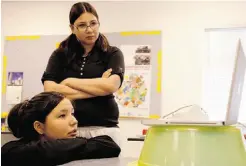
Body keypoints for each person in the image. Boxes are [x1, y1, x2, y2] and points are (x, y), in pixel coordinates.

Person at [41, 2, 125, 146]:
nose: (89, 29)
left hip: (104, 130)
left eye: (93, 23)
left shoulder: (112, 53)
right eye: (82, 25)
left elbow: (111, 86)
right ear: (72, 28)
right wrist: (99, 87)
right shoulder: (60, 55)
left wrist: (68, 82)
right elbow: (50, 89)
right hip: (68, 130)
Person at [1, 92, 121, 166]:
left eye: (72, 114)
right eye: (62, 115)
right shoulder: (12, 151)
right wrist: (80, 145)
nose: (74, 121)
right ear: (39, 127)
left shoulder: (69, 145)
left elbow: (110, 145)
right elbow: (46, 151)